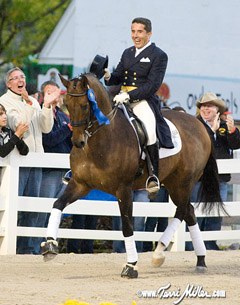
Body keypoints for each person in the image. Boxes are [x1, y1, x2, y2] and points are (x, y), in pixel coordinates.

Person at [103, 17, 173, 198]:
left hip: (142, 100)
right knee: (100, 119)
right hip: (120, 97)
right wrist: (109, 76)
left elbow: (153, 85)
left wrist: (130, 95)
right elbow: (118, 76)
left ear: (149, 33)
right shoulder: (127, 53)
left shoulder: (159, 55)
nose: (135, 35)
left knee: (149, 130)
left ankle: (153, 175)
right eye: (133, 31)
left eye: (140, 32)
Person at [0, 67, 58, 254]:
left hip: (36, 160)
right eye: (15, 78)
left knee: (34, 207)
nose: (20, 80)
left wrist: (47, 106)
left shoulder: (32, 100)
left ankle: (30, 249)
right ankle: (13, 249)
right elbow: (20, 125)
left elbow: (46, 127)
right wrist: (29, 103)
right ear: (8, 84)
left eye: (22, 76)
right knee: (16, 207)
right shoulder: (4, 101)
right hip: (17, 163)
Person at [186, 92, 240, 250]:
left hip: (220, 178)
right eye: (203, 106)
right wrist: (211, 131)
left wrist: (232, 131)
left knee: (215, 213)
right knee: (196, 211)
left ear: (218, 109)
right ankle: (191, 245)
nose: (205, 108)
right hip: (198, 178)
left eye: (209, 105)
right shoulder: (193, 125)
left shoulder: (224, 126)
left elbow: (236, 145)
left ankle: (210, 244)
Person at [142, 186, 169, 252]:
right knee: (153, 218)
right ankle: (147, 246)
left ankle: (159, 246)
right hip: (158, 187)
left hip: (167, 187)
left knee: (163, 219)